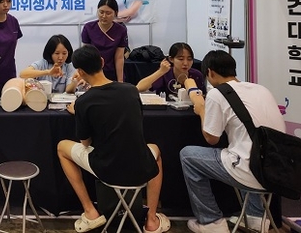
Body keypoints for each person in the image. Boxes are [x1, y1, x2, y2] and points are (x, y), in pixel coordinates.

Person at [57, 45, 170, 233]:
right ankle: (151, 220)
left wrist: (79, 113)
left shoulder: (83, 102)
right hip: (140, 166)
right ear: (102, 62)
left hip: (107, 169)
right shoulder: (131, 90)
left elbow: (86, 143)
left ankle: (90, 212)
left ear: (80, 72)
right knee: (155, 150)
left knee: (62, 147)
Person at [179, 50, 286, 233]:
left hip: (250, 171)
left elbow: (211, 138)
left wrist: (201, 109)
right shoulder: (261, 89)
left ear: (210, 72)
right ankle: (255, 217)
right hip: (278, 170)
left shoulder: (217, 94)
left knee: (188, 156)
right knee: (244, 148)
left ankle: (211, 221)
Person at [81, 0, 127, 82]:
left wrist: (120, 81)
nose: (104, 16)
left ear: (115, 13)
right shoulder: (88, 28)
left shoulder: (121, 30)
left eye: (108, 13)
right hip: (93, 73)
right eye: (101, 12)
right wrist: (85, 77)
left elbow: (119, 57)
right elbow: (85, 54)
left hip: (112, 73)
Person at [136, 42, 207, 97]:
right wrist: (160, 71)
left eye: (189, 59)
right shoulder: (165, 74)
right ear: (171, 59)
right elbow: (139, 88)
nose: (185, 63)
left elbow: (203, 95)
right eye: (181, 59)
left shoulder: (197, 75)